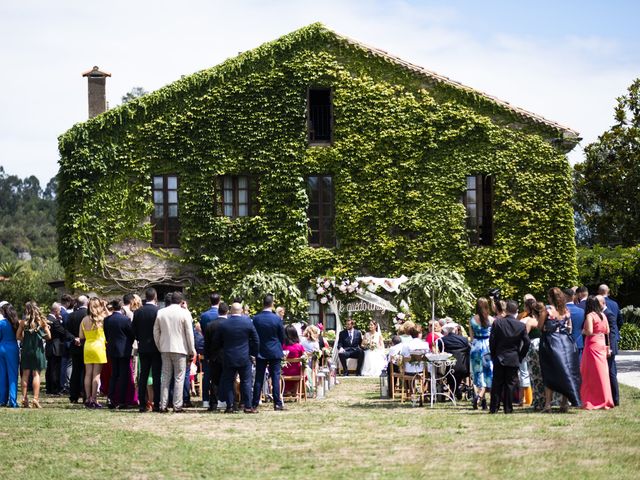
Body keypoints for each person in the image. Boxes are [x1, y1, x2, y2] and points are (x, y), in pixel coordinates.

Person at [538, 287, 581, 412]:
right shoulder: (566, 310)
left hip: (551, 342)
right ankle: (564, 404)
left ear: (550, 297)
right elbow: (570, 328)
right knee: (566, 372)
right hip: (567, 342)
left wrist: (547, 327)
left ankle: (548, 405)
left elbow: (540, 326)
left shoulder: (547, 310)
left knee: (549, 372)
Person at [212, 302, 259, 414]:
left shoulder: (224, 324)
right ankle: (247, 406)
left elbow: (216, 341)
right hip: (244, 356)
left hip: (228, 357)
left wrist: (221, 351)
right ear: (241, 310)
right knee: (246, 381)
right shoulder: (247, 322)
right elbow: (256, 339)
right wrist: (253, 353)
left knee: (228, 381)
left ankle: (230, 406)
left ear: (230, 310)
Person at [153, 292, 196, 413]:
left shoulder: (161, 312)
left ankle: (163, 404)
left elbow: (156, 332)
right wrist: (191, 350)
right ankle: (177, 405)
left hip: (165, 348)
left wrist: (160, 346)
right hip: (180, 349)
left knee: (165, 377)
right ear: (181, 301)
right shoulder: (184, 313)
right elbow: (189, 333)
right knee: (179, 377)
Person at [488, 300, 530, 414]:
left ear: (506, 310)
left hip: (499, 356)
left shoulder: (497, 323)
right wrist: (520, 355)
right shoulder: (521, 325)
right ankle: (508, 408)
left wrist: (493, 354)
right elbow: (526, 342)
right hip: (513, 356)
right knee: (510, 384)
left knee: (497, 383)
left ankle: (494, 408)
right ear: (516, 311)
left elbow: (492, 341)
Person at [251, 295, 285, 411]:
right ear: (272, 304)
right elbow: (282, 336)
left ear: (262, 303)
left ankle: (254, 403)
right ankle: (277, 403)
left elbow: (253, 336)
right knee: (275, 377)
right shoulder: (277, 319)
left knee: (259, 378)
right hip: (275, 350)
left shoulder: (256, 318)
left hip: (260, 351)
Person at [580, 296, 614, 409]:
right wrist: (608, 347)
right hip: (602, 344)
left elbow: (589, 331)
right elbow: (607, 331)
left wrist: (582, 331)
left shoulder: (590, 316)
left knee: (590, 374)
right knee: (603, 374)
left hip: (592, 345)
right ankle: (606, 399)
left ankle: (591, 400)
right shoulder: (602, 315)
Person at [16, 302, 51, 408]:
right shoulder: (42, 322)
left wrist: (26, 339)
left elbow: (18, 336)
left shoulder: (23, 322)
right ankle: (35, 399)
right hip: (38, 350)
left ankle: (24, 398)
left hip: (26, 350)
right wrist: (41, 337)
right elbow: (49, 336)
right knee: (36, 374)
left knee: (25, 374)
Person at [132, 287, 161, 412]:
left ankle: (142, 403)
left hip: (143, 346)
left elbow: (133, 330)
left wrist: (139, 339)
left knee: (143, 375)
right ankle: (157, 403)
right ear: (154, 296)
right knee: (156, 375)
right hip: (156, 347)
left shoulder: (138, 312)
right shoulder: (158, 311)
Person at [104, 299, 135, 409]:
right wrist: (129, 343)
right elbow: (131, 334)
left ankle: (111, 398)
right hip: (124, 349)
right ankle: (122, 400)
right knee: (123, 375)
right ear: (121, 307)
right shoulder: (125, 319)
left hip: (112, 349)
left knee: (114, 375)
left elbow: (106, 335)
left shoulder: (107, 320)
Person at [79, 297, 108, 408]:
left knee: (88, 374)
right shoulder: (102, 318)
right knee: (96, 375)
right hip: (99, 346)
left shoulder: (84, 319)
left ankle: (87, 398)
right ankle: (94, 399)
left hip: (88, 346)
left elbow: (81, 336)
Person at [45, 302, 76, 396]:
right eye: (59, 311)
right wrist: (74, 338)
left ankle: (49, 388)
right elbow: (63, 332)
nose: (60, 312)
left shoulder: (48, 318)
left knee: (50, 368)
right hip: (56, 347)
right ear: (56, 311)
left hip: (49, 347)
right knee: (55, 369)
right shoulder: (54, 321)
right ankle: (54, 389)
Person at [598, 292, 622, 406]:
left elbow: (612, 333)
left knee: (611, 372)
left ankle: (615, 399)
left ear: (603, 303)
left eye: (597, 303)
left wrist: (610, 348)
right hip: (606, 347)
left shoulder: (609, 314)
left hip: (610, 347)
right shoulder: (603, 313)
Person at [203, 302, 228, 411]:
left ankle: (213, 403)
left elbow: (207, 343)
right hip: (227, 356)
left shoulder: (210, 325)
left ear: (218, 311)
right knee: (228, 379)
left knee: (214, 381)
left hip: (214, 356)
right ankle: (228, 401)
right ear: (227, 311)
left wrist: (207, 356)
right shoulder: (229, 324)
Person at [469, 298, 493, 410]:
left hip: (476, 346)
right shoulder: (491, 319)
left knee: (478, 372)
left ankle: (482, 400)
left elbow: (471, 337)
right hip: (487, 346)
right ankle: (480, 397)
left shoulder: (472, 319)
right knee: (489, 372)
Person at [198, 292, 220, 409]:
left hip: (208, 347)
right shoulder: (221, 314)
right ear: (219, 301)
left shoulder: (204, 315)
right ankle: (220, 398)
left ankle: (206, 399)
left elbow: (202, 331)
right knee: (220, 375)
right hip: (220, 349)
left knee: (207, 375)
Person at [66, 295, 88, 404]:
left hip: (75, 345)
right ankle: (85, 394)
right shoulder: (88, 315)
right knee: (86, 371)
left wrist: (74, 338)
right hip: (86, 345)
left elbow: (66, 331)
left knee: (75, 371)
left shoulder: (71, 316)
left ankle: (74, 395)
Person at [517, 298, 539, 407]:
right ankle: (533, 397)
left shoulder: (525, 321)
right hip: (540, 346)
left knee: (524, 372)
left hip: (527, 347)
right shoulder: (540, 319)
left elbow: (523, 337)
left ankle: (523, 399)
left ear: (527, 307)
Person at [441, 322, 471, 399]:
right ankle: (456, 390)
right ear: (456, 330)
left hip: (448, 366)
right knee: (457, 375)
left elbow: (440, 351)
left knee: (451, 375)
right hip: (463, 366)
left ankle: (454, 390)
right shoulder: (464, 340)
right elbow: (469, 351)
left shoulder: (442, 340)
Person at [0, 302, 20, 407]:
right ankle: (12, 401)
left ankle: (2, 400)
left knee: (2, 375)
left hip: (2, 347)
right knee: (13, 375)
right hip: (12, 348)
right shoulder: (16, 323)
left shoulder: (1, 323)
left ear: (4, 311)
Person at [281, 324, 306, 394]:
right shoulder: (299, 346)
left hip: (284, 372)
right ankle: (296, 391)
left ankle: (285, 391)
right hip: (297, 372)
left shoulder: (282, 346)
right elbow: (304, 357)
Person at [564, 288, 585, 363]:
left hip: (564, 344)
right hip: (578, 342)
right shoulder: (581, 311)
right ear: (573, 297)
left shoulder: (560, 311)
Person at [59, 294, 74, 394]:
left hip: (61, 342)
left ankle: (62, 383)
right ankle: (65, 384)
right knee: (68, 364)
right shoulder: (65, 314)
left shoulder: (59, 310)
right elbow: (67, 327)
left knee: (64, 364)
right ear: (68, 302)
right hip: (67, 341)